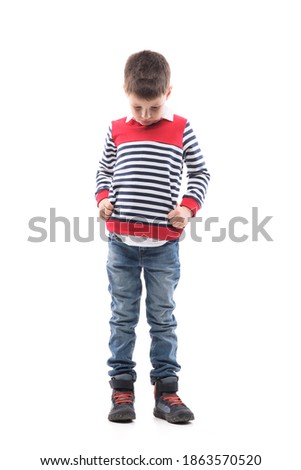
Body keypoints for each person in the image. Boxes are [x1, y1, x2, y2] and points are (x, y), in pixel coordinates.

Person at [96, 50, 210, 424]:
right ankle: (122, 389)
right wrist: (103, 199)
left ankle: (167, 390)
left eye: (154, 108)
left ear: (169, 93)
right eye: (138, 107)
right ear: (126, 92)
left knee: (162, 317)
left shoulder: (181, 128)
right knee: (122, 315)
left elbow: (200, 173)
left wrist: (188, 208)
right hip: (121, 246)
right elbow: (103, 170)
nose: (145, 116)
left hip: (164, 248)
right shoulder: (116, 128)